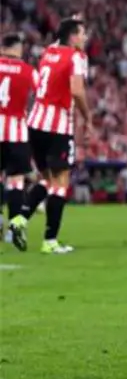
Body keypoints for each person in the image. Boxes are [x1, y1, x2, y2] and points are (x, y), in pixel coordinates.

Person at [20, 18, 92, 254]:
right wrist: (87, 117)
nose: (85, 38)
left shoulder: (48, 52)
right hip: (58, 126)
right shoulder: (75, 57)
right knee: (61, 182)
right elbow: (77, 91)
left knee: (47, 180)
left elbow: (59, 39)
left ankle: (19, 219)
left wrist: (72, 20)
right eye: (82, 33)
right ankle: (50, 241)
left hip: (35, 123)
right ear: (72, 36)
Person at [0, 33, 36, 252]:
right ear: (17, 48)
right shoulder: (28, 70)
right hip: (16, 131)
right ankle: (14, 227)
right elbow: (41, 94)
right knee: (16, 180)